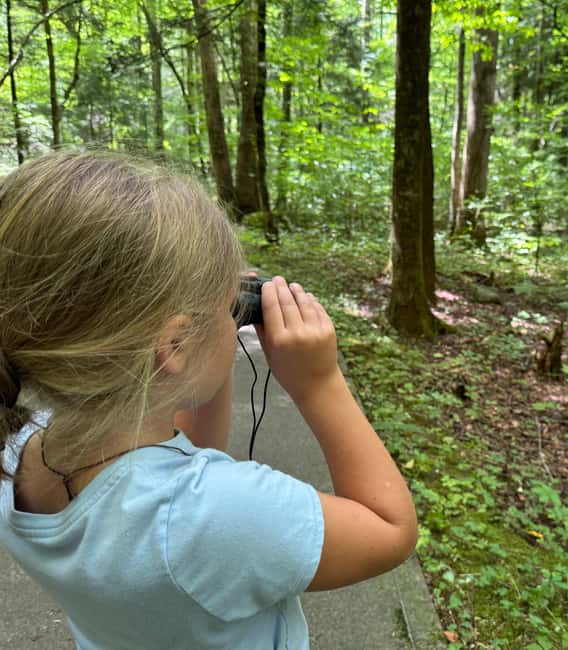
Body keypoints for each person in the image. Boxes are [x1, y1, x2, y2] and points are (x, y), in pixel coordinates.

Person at [0, 150, 418, 649]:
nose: (234, 317)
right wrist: (320, 383)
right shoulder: (221, 517)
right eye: (228, 309)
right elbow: (390, 530)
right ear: (174, 344)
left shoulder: (17, 447)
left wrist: (209, 340)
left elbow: (185, 458)